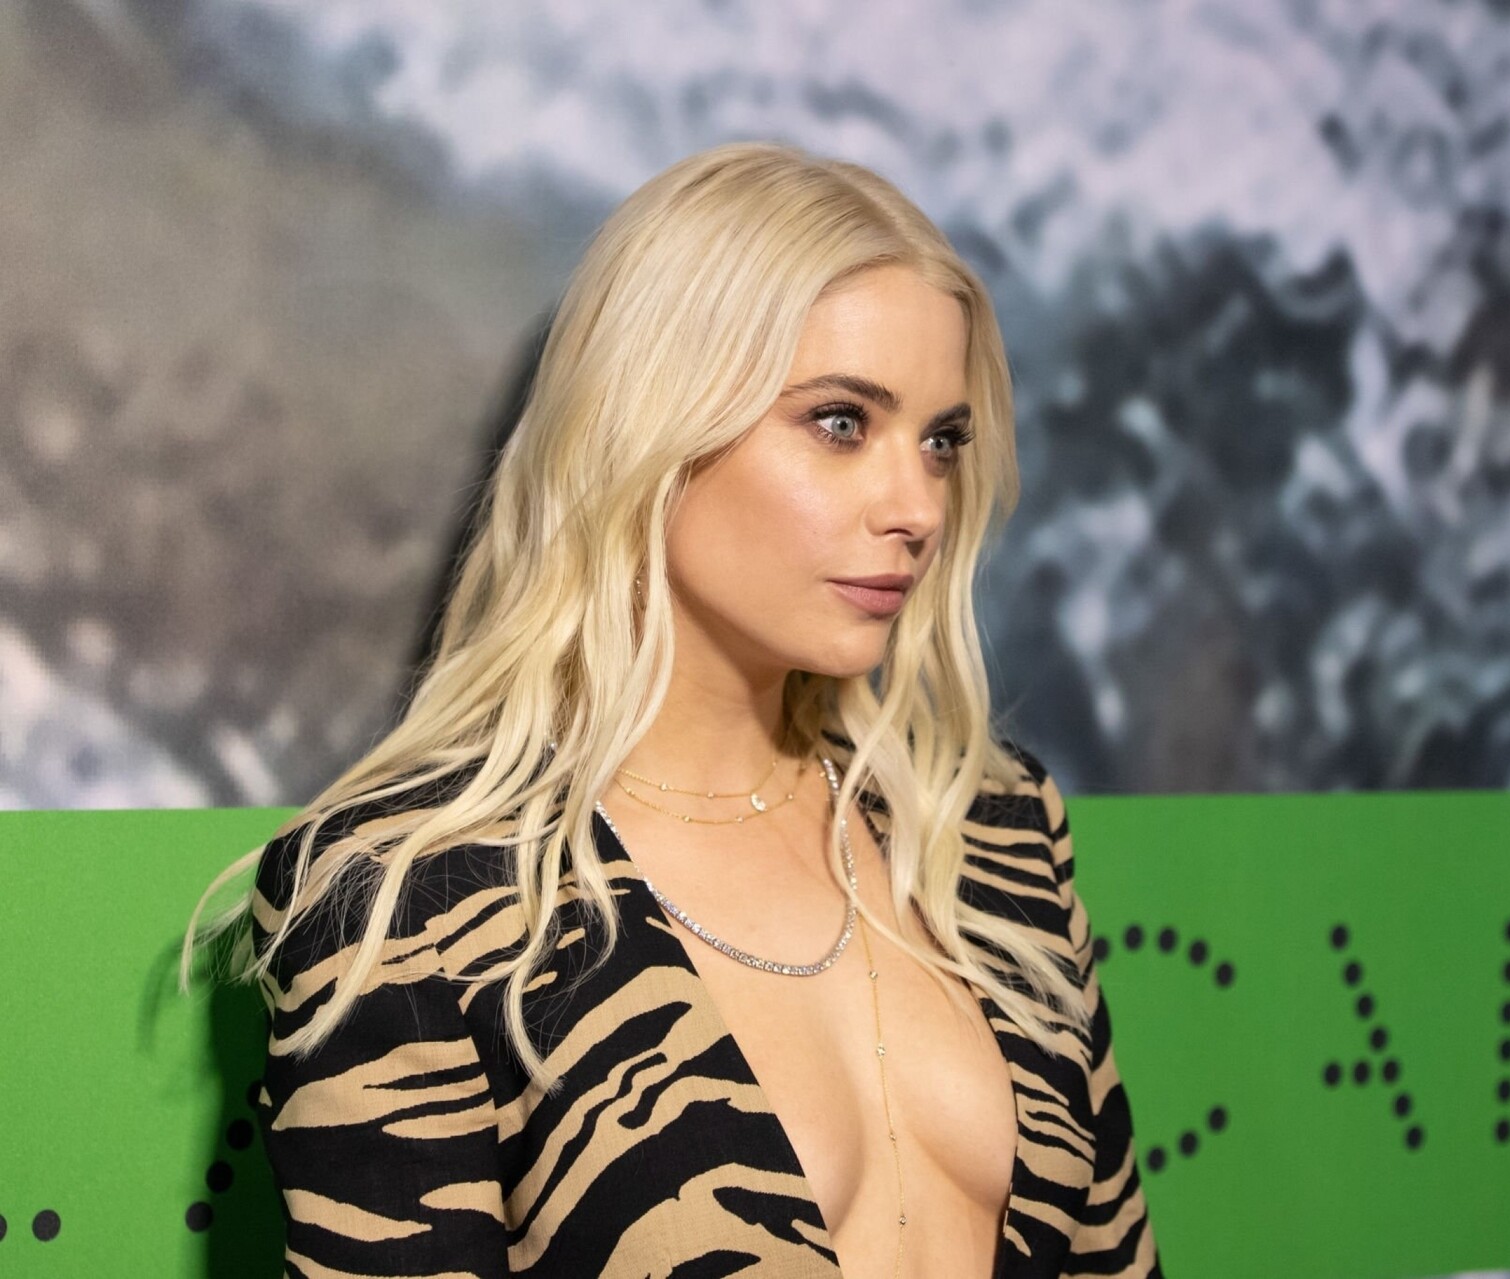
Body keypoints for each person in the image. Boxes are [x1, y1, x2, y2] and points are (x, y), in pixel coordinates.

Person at [187, 140, 1162, 1278]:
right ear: (649, 424)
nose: (917, 506)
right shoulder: (414, 906)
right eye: (841, 422)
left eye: (941, 441)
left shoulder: (989, 832)